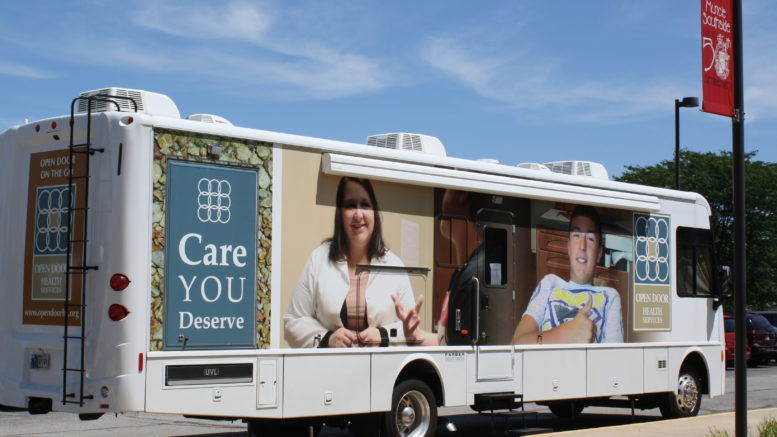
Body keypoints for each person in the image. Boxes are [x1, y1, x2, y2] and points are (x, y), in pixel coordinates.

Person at [284, 177, 436, 348]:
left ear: (374, 213)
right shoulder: (318, 260)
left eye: (365, 205)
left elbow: (410, 330)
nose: (358, 214)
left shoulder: (394, 264)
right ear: (340, 214)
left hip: (382, 370)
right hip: (329, 369)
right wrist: (327, 339)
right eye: (350, 205)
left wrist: (382, 335)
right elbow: (293, 322)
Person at [513, 205, 623, 344]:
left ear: (599, 253)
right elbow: (517, 343)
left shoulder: (609, 296)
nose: (582, 245)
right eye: (576, 236)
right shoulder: (550, 284)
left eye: (590, 238)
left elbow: (615, 359)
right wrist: (564, 334)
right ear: (569, 247)